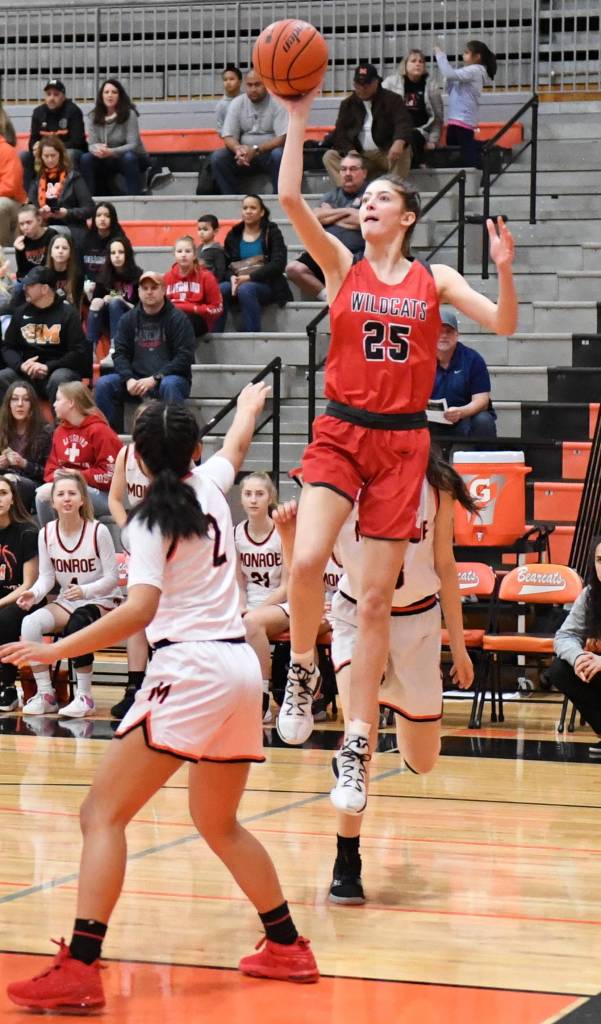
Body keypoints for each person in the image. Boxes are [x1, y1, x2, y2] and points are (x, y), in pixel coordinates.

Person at [3, 390, 319, 1013]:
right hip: (237, 667)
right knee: (218, 822)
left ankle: (82, 968)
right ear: (194, 452)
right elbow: (236, 445)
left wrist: (52, 650)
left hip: (192, 668)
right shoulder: (214, 485)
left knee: (101, 815)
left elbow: (138, 612)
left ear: (137, 460)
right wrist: (252, 405)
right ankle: (286, 945)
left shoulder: (149, 521)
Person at [271, 79, 517, 815]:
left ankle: (352, 742)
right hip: (341, 429)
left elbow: (502, 327)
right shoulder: (341, 267)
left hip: (403, 444)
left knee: (374, 600)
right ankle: (305, 668)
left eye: (382, 198)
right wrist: (295, 118)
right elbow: (289, 201)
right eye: (365, 197)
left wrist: (502, 268)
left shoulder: (431, 278)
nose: (368, 203)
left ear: (406, 216)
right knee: (311, 559)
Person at [15, 468, 121, 719]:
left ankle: (85, 697)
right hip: (67, 600)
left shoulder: (98, 531)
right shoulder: (46, 532)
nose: (66, 498)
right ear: (52, 501)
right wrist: (34, 593)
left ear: (82, 499)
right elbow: (47, 577)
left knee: (77, 625)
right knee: (29, 623)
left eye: (72, 493)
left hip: (102, 599)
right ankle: (46, 694)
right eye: (60, 494)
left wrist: (85, 590)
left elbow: (112, 579)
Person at [94, 271, 195, 431]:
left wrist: (156, 378)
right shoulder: (128, 319)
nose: (149, 292)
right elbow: (120, 353)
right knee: (103, 384)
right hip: (136, 381)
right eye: (145, 288)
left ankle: (175, 437)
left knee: (170, 385)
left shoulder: (178, 318)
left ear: (164, 290)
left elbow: (184, 357)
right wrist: (128, 379)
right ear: (139, 291)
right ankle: (112, 441)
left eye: (154, 287)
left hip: (168, 380)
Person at [234, 472, 286, 722]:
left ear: (270, 498)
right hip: (251, 605)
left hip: (282, 603)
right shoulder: (236, 534)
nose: (253, 499)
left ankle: (262, 697)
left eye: (259, 494)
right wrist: (242, 606)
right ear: (242, 499)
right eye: (248, 494)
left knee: (252, 623)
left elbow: (288, 585)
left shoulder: (282, 532)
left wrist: (255, 610)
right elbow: (239, 584)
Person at [107, 420, 150, 720]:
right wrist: (127, 529)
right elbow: (114, 498)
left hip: (170, 532)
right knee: (137, 613)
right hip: (139, 534)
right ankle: (134, 686)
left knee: (164, 614)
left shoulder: (173, 454)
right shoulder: (126, 454)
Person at [0, 266, 90, 405]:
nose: (25, 288)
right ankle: (6, 426)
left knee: (59, 379)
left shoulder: (68, 314)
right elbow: (7, 347)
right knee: (3, 376)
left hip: (58, 370)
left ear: (44, 289)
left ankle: (60, 426)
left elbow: (78, 352)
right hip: (27, 373)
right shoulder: (20, 313)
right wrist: (21, 365)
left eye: (30, 285)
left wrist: (48, 367)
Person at [36, 381, 122, 526]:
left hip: (104, 495)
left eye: (58, 399)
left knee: (49, 494)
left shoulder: (100, 431)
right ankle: (51, 540)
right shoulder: (59, 432)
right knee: (42, 495)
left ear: (71, 403)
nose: (54, 404)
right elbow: (49, 471)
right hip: (69, 487)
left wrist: (78, 475)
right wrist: (60, 477)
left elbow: (110, 475)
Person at [546, 536, 601, 758]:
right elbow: (564, 636)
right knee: (560, 670)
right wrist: (578, 657)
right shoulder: (590, 595)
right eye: (599, 559)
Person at [286, 152, 368, 301]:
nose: (347, 173)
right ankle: (332, 299)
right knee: (293, 269)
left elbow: (363, 220)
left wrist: (330, 216)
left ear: (364, 173)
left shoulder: (370, 195)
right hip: (324, 254)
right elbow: (314, 218)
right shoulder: (331, 195)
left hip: (355, 256)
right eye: (343, 169)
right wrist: (348, 211)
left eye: (353, 169)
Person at [322, 63, 414, 187]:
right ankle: (348, 191)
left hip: (386, 153)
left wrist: (399, 142)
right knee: (329, 156)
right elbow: (340, 134)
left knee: (404, 150)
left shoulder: (393, 100)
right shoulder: (347, 104)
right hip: (360, 156)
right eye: (358, 85)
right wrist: (350, 151)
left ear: (376, 82)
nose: (362, 88)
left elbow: (403, 123)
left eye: (367, 84)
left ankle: (391, 189)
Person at [216, 195, 292, 333]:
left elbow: (278, 264)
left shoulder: (272, 232)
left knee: (246, 290)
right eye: (245, 208)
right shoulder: (233, 235)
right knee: (220, 289)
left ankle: (252, 336)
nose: (248, 211)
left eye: (253, 208)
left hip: (267, 284)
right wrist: (231, 278)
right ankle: (215, 336)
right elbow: (226, 266)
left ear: (262, 212)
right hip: (238, 281)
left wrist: (249, 278)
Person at [211, 69, 288, 195]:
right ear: (245, 85)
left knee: (279, 155)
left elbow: (282, 138)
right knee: (218, 157)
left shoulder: (277, 103)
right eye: (249, 85)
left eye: (257, 85)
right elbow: (228, 136)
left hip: (268, 155)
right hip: (245, 156)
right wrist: (238, 149)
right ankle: (232, 200)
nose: (253, 89)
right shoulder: (237, 103)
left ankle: (278, 198)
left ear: (266, 85)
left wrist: (256, 150)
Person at [0, 476, 39, 712]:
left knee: (4, 619)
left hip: (25, 599)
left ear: (13, 498)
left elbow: (29, 584)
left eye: (3, 493)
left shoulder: (27, 531)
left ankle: (8, 687)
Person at [429, 309, 497, 438]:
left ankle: (482, 458)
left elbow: (482, 401)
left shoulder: (473, 359)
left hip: (465, 420)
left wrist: (461, 412)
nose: (443, 335)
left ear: (457, 335)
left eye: (449, 331)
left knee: (483, 420)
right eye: (439, 331)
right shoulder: (422, 360)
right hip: (431, 422)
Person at [80, 79, 149, 197]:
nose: (110, 95)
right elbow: (91, 144)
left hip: (133, 158)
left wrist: (110, 152)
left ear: (120, 95)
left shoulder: (129, 114)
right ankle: (89, 200)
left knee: (129, 158)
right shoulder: (93, 115)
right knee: (86, 158)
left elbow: (133, 145)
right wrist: (97, 149)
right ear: (101, 96)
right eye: (106, 92)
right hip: (105, 158)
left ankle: (134, 198)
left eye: (114, 92)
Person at [435, 40, 498, 167]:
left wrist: (440, 56)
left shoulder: (475, 70)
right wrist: (449, 79)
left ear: (477, 56)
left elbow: (449, 73)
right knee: (453, 152)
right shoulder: (467, 71)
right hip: (454, 118)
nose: (463, 55)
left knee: (467, 154)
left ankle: (485, 152)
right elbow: (449, 88)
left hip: (464, 120)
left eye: (466, 52)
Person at [27, 137, 95, 252]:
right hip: (44, 226)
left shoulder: (73, 177)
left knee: (48, 233)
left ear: (60, 155)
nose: (50, 160)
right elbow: (29, 207)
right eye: (46, 156)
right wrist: (40, 213)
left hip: (71, 227)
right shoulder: (37, 180)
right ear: (41, 157)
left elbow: (90, 209)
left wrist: (67, 213)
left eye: (53, 155)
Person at [21, 80, 87, 191]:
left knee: (70, 154)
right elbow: (33, 140)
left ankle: (70, 194)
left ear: (63, 97)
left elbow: (77, 141)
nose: (51, 98)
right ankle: (29, 196)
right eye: (48, 94)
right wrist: (36, 148)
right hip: (45, 152)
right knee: (25, 156)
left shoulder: (73, 111)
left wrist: (54, 149)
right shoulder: (38, 112)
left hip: (68, 151)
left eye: (56, 94)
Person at [382, 50, 444, 167]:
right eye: (413, 61)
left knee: (411, 136)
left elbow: (438, 117)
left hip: (420, 131)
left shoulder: (431, 86)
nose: (418, 64)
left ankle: (414, 165)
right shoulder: (390, 83)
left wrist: (433, 141)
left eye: (421, 62)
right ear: (405, 64)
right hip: (394, 130)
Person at [0, 381, 54, 511]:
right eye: (14, 399)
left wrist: (24, 463)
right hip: (3, 481)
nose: (20, 404)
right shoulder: (1, 429)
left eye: (26, 400)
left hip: (30, 485)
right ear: (8, 404)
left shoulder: (45, 433)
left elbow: (48, 473)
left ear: (32, 405)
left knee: (10, 480)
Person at [87, 235, 142, 358]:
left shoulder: (137, 275)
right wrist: (102, 300)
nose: (117, 255)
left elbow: (141, 308)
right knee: (96, 301)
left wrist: (121, 300)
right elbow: (95, 302)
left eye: (121, 252)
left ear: (127, 254)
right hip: (108, 319)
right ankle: (90, 349)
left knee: (116, 302)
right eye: (113, 253)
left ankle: (115, 348)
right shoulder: (103, 276)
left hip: (131, 317)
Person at [162, 235, 223, 337]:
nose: (183, 255)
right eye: (179, 251)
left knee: (182, 320)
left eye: (188, 251)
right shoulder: (167, 277)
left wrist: (194, 308)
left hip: (198, 320)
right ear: (174, 254)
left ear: (194, 255)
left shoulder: (206, 277)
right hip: (172, 319)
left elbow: (217, 308)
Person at [81, 202, 127, 292]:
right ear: (94, 218)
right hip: (88, 287)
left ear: (113, 218)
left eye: (107, 216)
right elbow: (80, 268)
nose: (102, 219)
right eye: (98, 215)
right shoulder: (85, 240)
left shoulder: (121, 242)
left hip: (112, 289)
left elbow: (124, 270)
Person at [13, 204, 57, 287]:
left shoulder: (52, 235)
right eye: (21, 224)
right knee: (17, 287)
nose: (25, 227)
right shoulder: (22, 241)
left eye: (29, 222)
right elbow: (21, 273)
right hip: (30, 282)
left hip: (49, 280)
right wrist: (19, 251)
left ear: (39, 220)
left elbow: (52, 267)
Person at [0, 128, 27, 246]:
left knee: (1, 205)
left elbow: (10, 186)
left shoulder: (6, 150)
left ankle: (1, 254)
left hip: (12, 201)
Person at [47, 233, 83, 307]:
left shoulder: (77, 274)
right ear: (50, 252)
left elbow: (76, 304)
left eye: (64, 248)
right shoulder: (43, 273)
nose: (60, 251)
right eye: (57, 247)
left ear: (70, 253)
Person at [197, 213, 227, 282]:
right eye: (199, 229)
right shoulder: (198, 249)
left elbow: (220, 272)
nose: (201, 232)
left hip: (210, 283)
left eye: (205, 229)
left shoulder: (217, 250)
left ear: (215, 231)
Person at [215, 64, 243, 133]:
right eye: (225, 80)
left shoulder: (247, 99)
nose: (228, 82)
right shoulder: (221, 105)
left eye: (231, 79)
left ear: (240, 82)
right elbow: (220, 129)